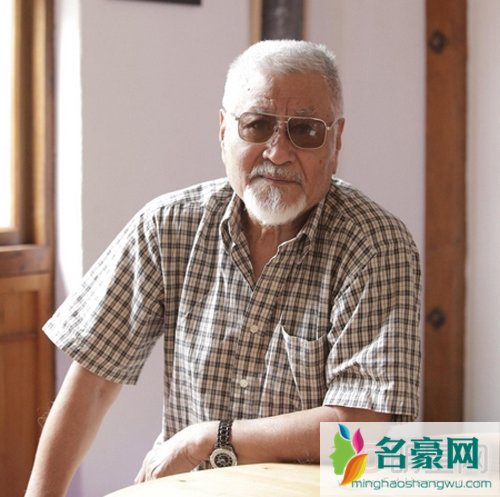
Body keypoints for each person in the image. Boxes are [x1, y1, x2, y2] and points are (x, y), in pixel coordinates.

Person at [25, 40, 421, 496]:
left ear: (336, 141)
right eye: (257, 125)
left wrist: (211, 439)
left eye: (305, 131)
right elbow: (92, 384)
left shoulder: (376, 245)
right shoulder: (167, 225)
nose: (278, 152)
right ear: (223, 130)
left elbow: (362, 428)